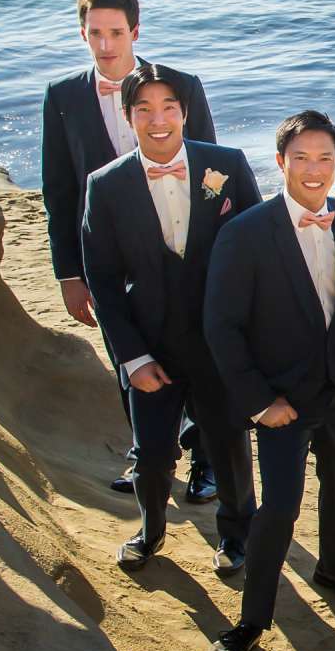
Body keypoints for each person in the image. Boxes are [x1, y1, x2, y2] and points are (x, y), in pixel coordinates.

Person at [201, 111, 335, 651]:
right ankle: (251, 619)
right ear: (280, 162)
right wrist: (261, 401)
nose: (314, 170)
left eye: (324, 158)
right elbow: (221, 326)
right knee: (279, 507)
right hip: (281, 400)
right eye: (301, 158)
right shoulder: (245, 233)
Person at [40, 0, 220, 498]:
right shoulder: (63, 96)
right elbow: (59, 189)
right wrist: (69, 273)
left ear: (135, 32)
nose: (105, 45)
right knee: (127, 353)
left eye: (115, 32)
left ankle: (206, 460)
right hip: (111, 255)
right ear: (82, 34)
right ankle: (147, 457)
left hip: (183, 245)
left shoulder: (181, 85)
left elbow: (211, 170)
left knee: (199, 354)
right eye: (94, 33)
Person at [78, 65, 258, 579]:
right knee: (153, 454)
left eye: (169, 109)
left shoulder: (226, 164)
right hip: (150, 348)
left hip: (217, 344)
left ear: (184, 112)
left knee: (228, 446)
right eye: (144, 110)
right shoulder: (105, 185)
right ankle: (151, 527)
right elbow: (105, 282)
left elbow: (258, 252)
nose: (158, 121)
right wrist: (132, 359)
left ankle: (236, 534)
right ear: (128, 115)